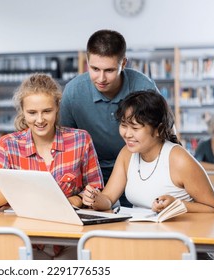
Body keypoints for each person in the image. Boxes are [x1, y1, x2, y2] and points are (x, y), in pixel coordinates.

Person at [0, 73, 103, 260]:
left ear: (57, 108)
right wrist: (18, 184)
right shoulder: (8, 144)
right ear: (22, 111)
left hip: (70, 241)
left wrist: (75, 201)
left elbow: (96, 188)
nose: (40, 120)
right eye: (32, 113)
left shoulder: (80, 140)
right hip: (26, 241)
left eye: (47, 111)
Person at [60, 29, 159, 208]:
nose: (101, 78)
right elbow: (64, 143)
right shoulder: (73, 92)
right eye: (95, 69)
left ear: (124, 63)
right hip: (91, 176)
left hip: (138, 170)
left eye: (110, 70)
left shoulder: (144, 88)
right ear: (86, 62)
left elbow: (164, 137)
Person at [82, 90, 214, 215]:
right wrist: (95, 199)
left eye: (135, 128)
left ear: (158, 130)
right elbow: (108, 198)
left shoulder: (179, 159)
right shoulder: (126, 154)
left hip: (175, 236)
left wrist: (177, 205)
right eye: (124, 126)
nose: (127, 134)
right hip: (139, 234)